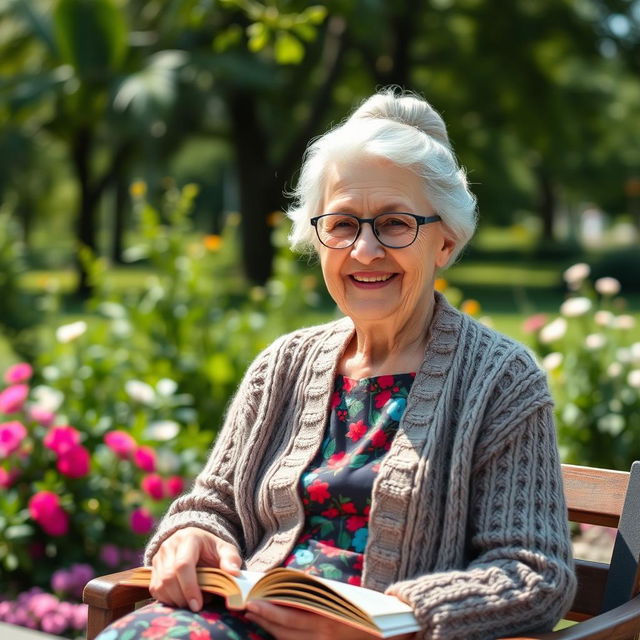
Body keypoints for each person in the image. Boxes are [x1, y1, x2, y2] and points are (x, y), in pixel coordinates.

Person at [96, 89, 576, 640]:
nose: (365, 251)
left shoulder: (500, 380)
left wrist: (386, 622)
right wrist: (191, 535)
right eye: (343, 224)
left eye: (396, 224)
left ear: (444, 240)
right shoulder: (283, 364)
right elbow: (214, 506)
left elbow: (534, 574)